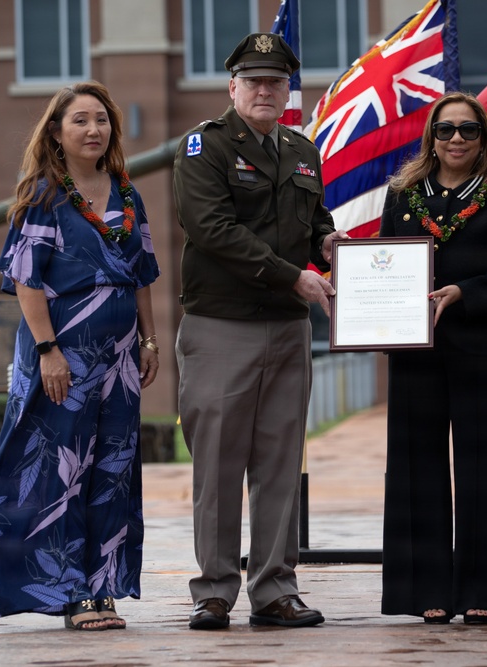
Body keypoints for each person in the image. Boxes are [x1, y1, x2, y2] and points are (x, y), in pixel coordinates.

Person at [172, 32, 346, 631]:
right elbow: (213, 228)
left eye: (276, 81)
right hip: (223, 325)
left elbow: (313, 219)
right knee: (218, 464)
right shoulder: (205, 147)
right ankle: (214, 590)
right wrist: (291, 274)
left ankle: (274, 588)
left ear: (287, 90)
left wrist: (328, 242)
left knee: (278, 463)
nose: (266, 90)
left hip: (288, 328)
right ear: (233, 87)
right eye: (255, 81)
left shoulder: (301, 149)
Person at [0, 81, 161, 631]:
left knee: (113, 469)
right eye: (80, 120)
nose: (93, 130)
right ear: (56, 132)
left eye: (101, 120)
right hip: (62, 357)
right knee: (60, 473)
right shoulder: (42, 195)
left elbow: (143, 275)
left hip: (121, 359)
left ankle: (103, 586)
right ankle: (69, 590)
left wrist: (148, 342)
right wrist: (49, 351)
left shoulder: (128, 194)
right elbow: (27, 281)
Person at [378, 92, 487, 625]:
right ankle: (426, 591)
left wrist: (464, 291)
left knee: (482, 466)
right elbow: (384, 263)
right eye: (446, 130)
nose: (457, 139)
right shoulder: (401, 195)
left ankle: (483, 589)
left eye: (468, 130)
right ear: (431, 139)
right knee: (416, 468)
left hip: (479, 347)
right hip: (415, 350)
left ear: (484, 137)